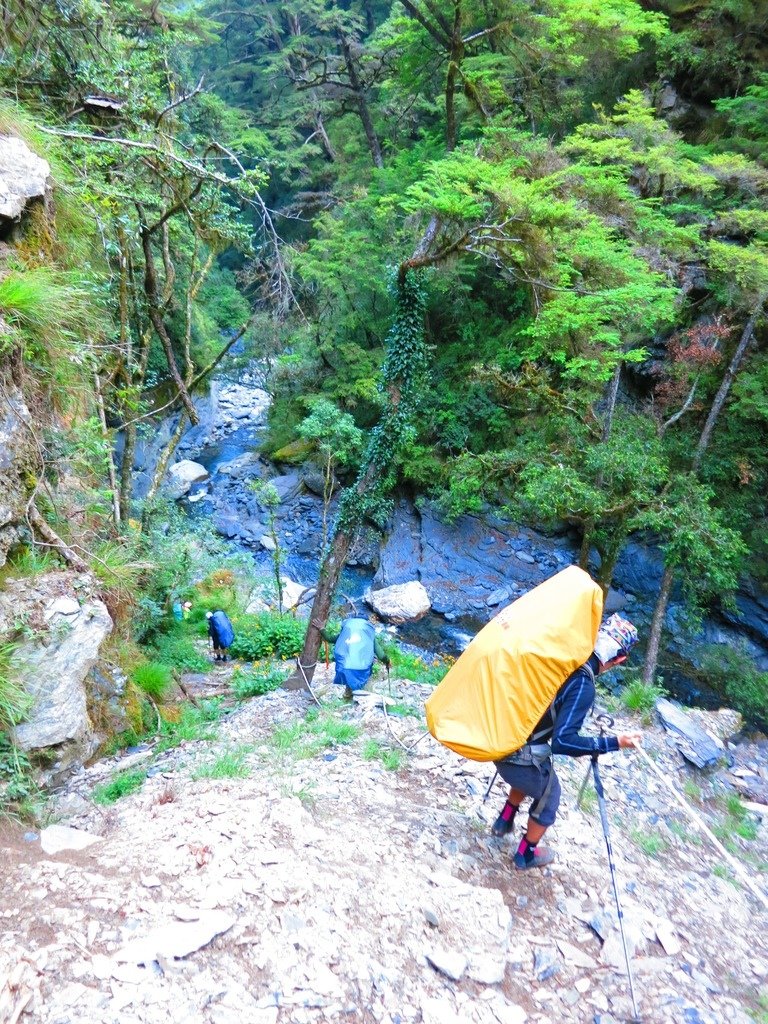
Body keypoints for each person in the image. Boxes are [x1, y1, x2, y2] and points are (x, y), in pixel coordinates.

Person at [490, 613, 642, 870]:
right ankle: (525, 854)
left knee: (540, 772)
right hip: (516, 760)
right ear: (619, 659)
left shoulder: (563, 657)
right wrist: (615, 742)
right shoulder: (583, 685)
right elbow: (563, 743)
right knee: (550, 795)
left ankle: (505, 820)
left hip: (499, 740)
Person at [316, 614, 391, 698]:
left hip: (343, 667)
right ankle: (356, 695)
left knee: (348, 673)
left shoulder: (345, 634)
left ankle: (348, 693)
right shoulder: (369, 635)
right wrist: (387, 662)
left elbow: (329, 638)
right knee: (360, 677)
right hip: (361, 669)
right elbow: (381, 655)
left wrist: (321, 628)